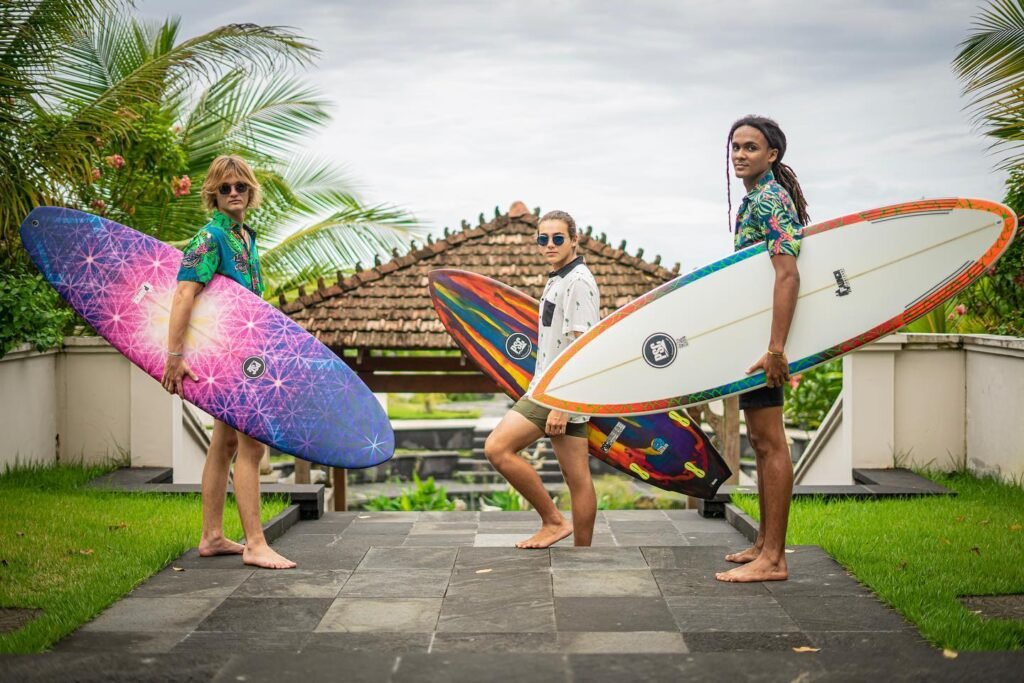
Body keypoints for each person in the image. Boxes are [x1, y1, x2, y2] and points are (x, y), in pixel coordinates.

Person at [161, 154, 296, 570]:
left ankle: (212, 536)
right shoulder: (210, 237)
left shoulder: (246, 236)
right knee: (252, 445)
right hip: (228, 357)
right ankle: (256, 543)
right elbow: (185, 293)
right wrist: (173, 355)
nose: (234, 193)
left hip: (247, 354)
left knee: (223, 444)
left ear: (251, 191)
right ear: (213, 196)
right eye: (225, 188)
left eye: (240, 186)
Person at [716, 116, 808, 583]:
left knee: (770, 443)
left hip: (763, 345)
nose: (739, 154)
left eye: (750, 147)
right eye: (735, 146)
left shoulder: (770, 199)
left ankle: (775, 558)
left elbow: (787, 274)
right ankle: (762, 545)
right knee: (760, 440)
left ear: (772, 155)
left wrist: (776, 348)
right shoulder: (756, 199)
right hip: (754, 338)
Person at [483, 210, 600, 548]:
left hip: (556, 393)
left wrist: (562, 404)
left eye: (558, 238)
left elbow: (583, 347)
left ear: (574, 240)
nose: (549, 244)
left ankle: (553, 522)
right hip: (557, 391)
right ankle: (583, 553)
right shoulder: (558, 277)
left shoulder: (578, 282)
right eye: (543, 239)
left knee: (498, 448)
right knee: (577, 478)